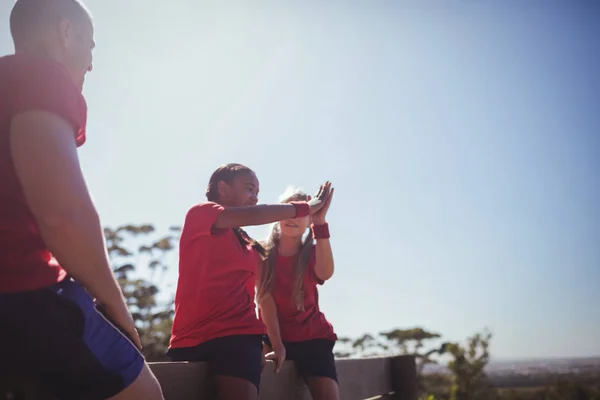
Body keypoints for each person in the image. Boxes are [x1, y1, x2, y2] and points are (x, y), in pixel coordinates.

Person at [0, 1, 164, 399]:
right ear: (65, 32)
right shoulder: (42, 77)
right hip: (24, 292)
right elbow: (63, 215)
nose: (90, 65)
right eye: (91, 47)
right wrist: (118, 311)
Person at [167, 163, 331, 400]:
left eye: (257, 193)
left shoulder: (249, 243)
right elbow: (256, 215)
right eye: (249, 189)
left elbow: (265, 294)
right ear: (222, 188)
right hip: (188, 338)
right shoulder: (200, 213)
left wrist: (276, 344)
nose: (254, 198)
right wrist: (305, 207)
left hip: (237, 339)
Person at [257, 185, 339, 400]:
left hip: (312, 337)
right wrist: (277, 344)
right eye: (289, 209)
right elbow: (265, 300)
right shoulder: (260, 251)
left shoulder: (311, 252)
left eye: (302, 212)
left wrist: (320, 224)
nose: (294, 216)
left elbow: (326, 272)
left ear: (309, 220)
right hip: (272, 336)